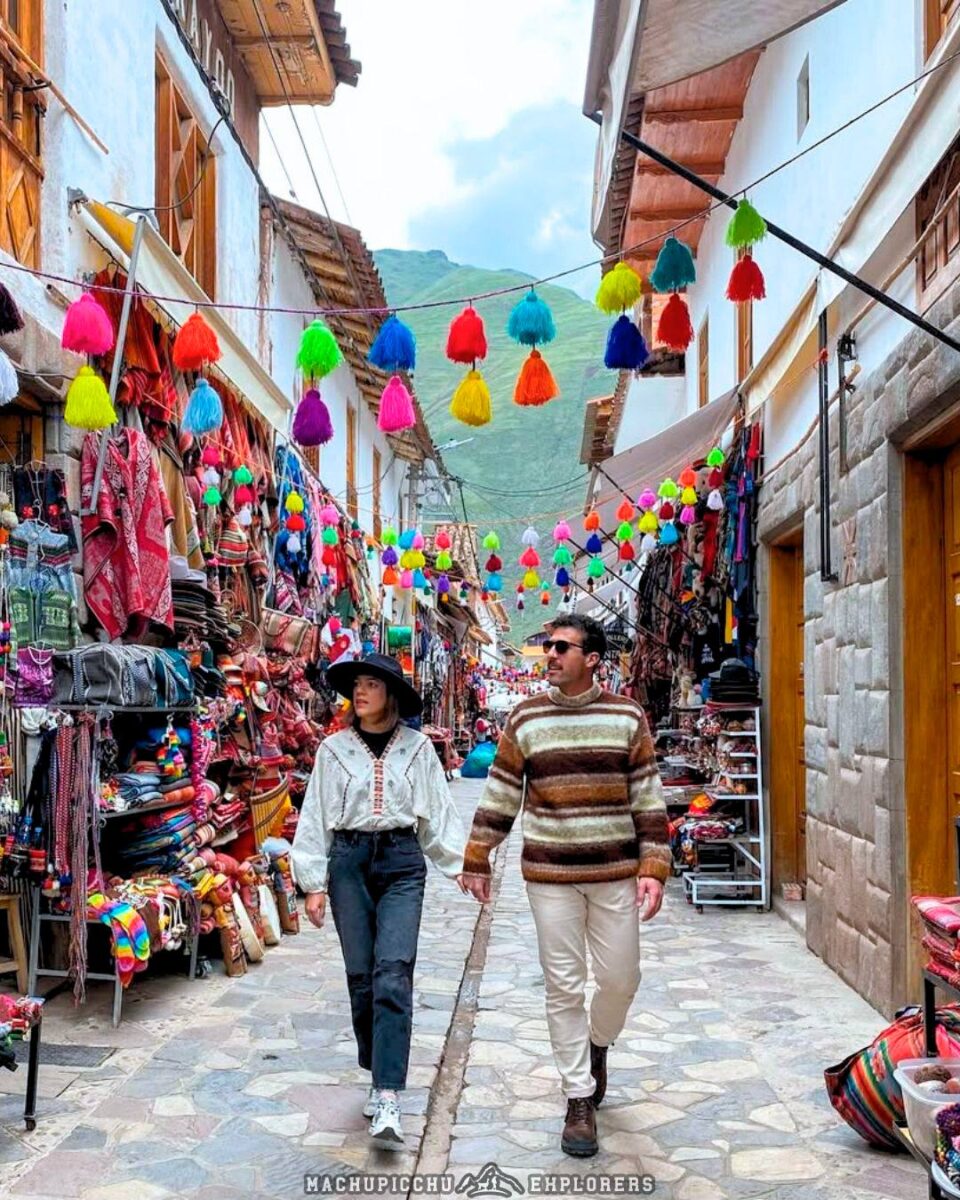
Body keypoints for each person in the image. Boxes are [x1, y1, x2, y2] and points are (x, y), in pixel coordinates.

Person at [460, 615, 670, 1158]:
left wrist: (654, 865)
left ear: (592, 658)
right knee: (563, 984)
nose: (548, 655)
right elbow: (502, 792)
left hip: (614, 871)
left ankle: (598, 1045)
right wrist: (478, 856)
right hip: (550, 874)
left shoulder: (627, 716)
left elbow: (647, 797)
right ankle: (578, 1096)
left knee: (622, 978)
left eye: (560, 647)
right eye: (546, 646)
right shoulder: (525, 719)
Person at [291, 653, 467, 1147]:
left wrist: (462, 867)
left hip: (401, 862)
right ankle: (377, 1067)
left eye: (372, 684)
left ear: (390, 694)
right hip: (347, 864)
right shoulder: (332, 750)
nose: (361, 693)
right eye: (357, 685)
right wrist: (313, 883)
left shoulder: (417, 749)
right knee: (362, 978)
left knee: (394, 972)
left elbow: (437, 816)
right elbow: (314, 817)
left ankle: (388, 1092)